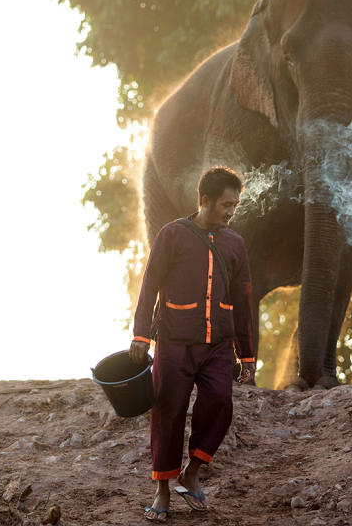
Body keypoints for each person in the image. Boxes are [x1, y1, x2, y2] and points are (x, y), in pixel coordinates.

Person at [129, 166, 256, 522]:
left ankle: (193, 471)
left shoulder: (236, 244)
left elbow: (244, 299)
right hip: (175, 342)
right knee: (168, 412)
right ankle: (163, 490)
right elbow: (150, 283)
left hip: (218, 345)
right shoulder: (172, 235)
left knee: (220, 402)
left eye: (236, 205)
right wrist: (140, 334)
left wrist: (247, 353)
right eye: (226, 205)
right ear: (204, 201)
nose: (231, 212)